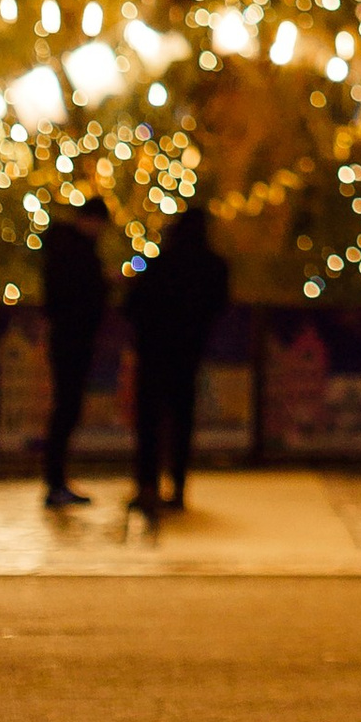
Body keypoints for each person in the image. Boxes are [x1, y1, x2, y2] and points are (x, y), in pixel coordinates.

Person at [124, 201, 231, 516]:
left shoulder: (161, 263)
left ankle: (148, 485)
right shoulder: (213, 266)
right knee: (182, 422)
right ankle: (179, 486)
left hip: (153, 353)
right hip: (188, 355)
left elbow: (133, 304)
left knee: (149, 422)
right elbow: (219, 305)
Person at [37, 191, 109, 512]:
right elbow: (82, 295)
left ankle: (56, 481)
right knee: (66, 408)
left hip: (67, 337)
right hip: (73, 338)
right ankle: (55, 482)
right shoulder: (77, 253)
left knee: (65, 408)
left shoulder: (63, 249)